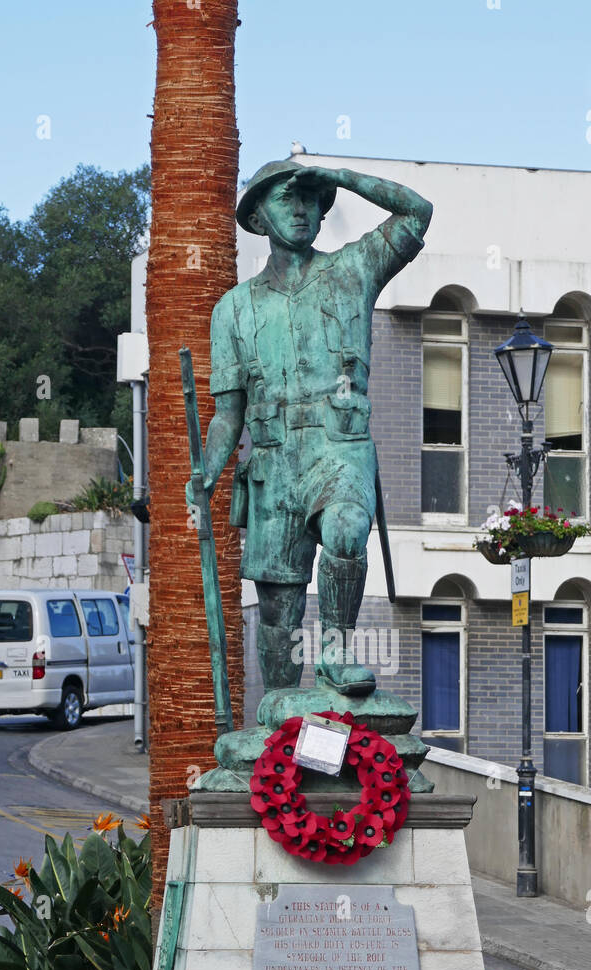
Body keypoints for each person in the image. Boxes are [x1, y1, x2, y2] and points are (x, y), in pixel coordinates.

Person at [190, 160, 432, 694]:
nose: (300, 211)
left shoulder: (354, 269)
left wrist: (341, 177)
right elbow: (228, 414)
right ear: (257, 218)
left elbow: (417, 211)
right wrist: (207, 472)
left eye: (311, 201)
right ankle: (278, 714)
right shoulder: (234, 309)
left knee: (347, 530)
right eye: (285, 200)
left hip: (338, 445)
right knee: (279, 608)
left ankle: (338, 654)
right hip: (273, 462)